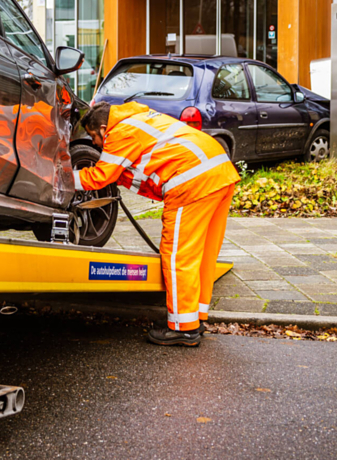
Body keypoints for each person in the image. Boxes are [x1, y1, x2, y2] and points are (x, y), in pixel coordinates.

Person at [75, 101, 239, 346]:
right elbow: (146, 167)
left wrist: (63, 178)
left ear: (102, 127)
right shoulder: (140, 119)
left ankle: (184, 329)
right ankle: (196, 318)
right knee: (203, 254)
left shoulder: (119, 131)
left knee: (177, 255)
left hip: (191, 179)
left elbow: (99, 176)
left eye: (93, 137)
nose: (95, 144)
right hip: (219, 170)